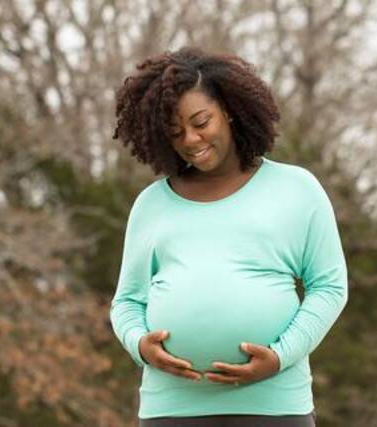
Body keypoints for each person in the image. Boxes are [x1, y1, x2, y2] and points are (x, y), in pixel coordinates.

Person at [109, 47, 349, 427]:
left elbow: (330, 287)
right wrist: (141, 346)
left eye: (200, 122)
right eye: (175, 132)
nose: (190, 139)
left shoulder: (297, 189)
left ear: (229, 110)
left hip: (274, 406)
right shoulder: (151, 204)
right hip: (171, 409)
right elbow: (127, 302)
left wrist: (280, 356)